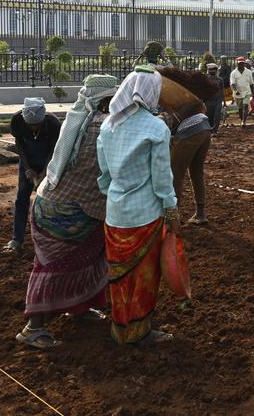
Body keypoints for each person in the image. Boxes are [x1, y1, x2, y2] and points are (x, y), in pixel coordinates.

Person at [17, 75, 119, 349]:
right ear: (106, 99)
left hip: (57, 204)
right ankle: (32, 327)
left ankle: (80, 307)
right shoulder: (101, 126)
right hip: (69, 212)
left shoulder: (76, 120)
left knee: (88, 260)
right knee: (55, 268)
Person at [97, 68, 180, 345]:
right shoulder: (156, 128)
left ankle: (120, 326)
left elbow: (105, 175)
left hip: (115, 214)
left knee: (119, 276)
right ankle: (139, 331)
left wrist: (115, 196)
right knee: (144, 276)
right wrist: (171, 209)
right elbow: (162, 179)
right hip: (145, 217)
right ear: (151, 92)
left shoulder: (108, 126)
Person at [5, 98, 61, 253]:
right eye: (30, 125)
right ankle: (17, 239)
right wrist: (28, 168)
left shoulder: (54, 123)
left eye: (37, 124)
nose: (33, 127)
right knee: (22, 197)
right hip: (28, 160)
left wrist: (45, 172)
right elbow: (19, 144)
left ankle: (53, 238)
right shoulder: (17, 120)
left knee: (51, 199)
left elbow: (55, 150)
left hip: (49, 162)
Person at [170, 102, 213, 225]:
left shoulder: (160, 98)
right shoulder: (184, 94)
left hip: (189, 130)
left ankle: (172, 219)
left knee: (175, 175)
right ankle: (200, 214)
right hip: (204, 126)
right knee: (196, 172)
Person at [228, 57, 254, 127]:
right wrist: (236, 90)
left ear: (244, 64)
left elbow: (251, 83)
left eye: (242, 63)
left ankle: (243, 122)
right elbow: (232, 84)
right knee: (240, 108)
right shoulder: (233, 73)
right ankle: (242, 119)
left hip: (247, 92)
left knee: (245, 106)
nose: (241, 64)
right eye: (240, 63)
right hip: (237, 94)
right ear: (237, 64)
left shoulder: (249, 72)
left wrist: (253, 94)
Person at [203, 63, 225, 133]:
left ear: (216, 70)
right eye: (210, 70)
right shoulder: (206, 80)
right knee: (209, 116)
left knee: (217, 116)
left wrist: (224, 102)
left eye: (213, 70)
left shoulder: (220, 80)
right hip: (208, 101)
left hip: (218, 101)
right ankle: (209, 130)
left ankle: (215, 130)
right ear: (208, 70)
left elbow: (222, 91)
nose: (212, 71)